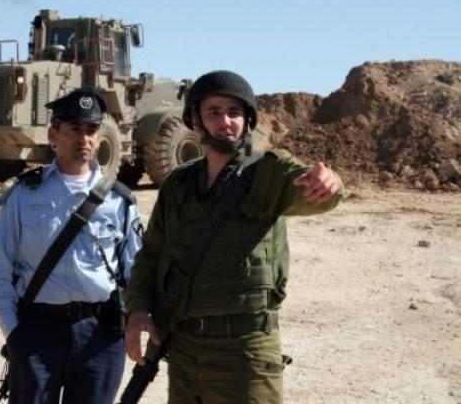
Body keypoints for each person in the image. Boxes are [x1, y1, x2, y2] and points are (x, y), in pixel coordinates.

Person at [123, 70, 344, 403]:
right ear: (195, 121)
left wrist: (329, 184)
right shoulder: (178, 185)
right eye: (213, 112)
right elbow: (151, 255)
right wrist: (138, 310)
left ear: (247, 120)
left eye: (234, 112)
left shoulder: (268, 171)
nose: (225, 121)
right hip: (183, 350)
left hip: (244, 353)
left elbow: (310, 188)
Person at [0, 87, 143, 404]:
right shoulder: (25, 195)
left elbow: (137, 269)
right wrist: (13, 331)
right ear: (53, 134)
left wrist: (132, 320)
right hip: (37, 331)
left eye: (91, 130)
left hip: (100, 336)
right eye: (74, 129)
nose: (84, 138)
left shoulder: (118, 200)